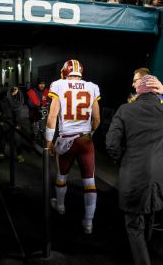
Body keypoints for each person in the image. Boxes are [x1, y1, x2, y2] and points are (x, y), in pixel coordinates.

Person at [106, 68, 163, 265]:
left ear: (140, 87)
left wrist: (122, 161)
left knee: (134, 226)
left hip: (133, 176)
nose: (132, 84)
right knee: (149, 216)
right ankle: (144, 250)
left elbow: (111, 144)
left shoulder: (125, 110)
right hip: (157, 177)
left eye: (135, 81)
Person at [46, 59, 101, 234]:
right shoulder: (92, 86)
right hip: (85, 140)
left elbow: (52, 116)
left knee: (62, 176)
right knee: (90, 182)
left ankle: (60, 206)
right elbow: (97, 119)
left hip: (66, 139)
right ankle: (88, 222)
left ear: (65, 71)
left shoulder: (59, 85)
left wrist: (48, 141)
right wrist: (87, 134)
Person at [26, 78, 49, 143]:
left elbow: (49, 101)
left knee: (43, 131)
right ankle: (33, 146)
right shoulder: (32, 92)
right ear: (37, 84)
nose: (42, 85)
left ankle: (43, 147)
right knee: (34, 132)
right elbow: (29, 104)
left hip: (43, 115)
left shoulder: (47, 91)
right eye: (40, 84)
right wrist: (39, 106)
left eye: (43, 84)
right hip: (34, 115)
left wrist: (46, 105)